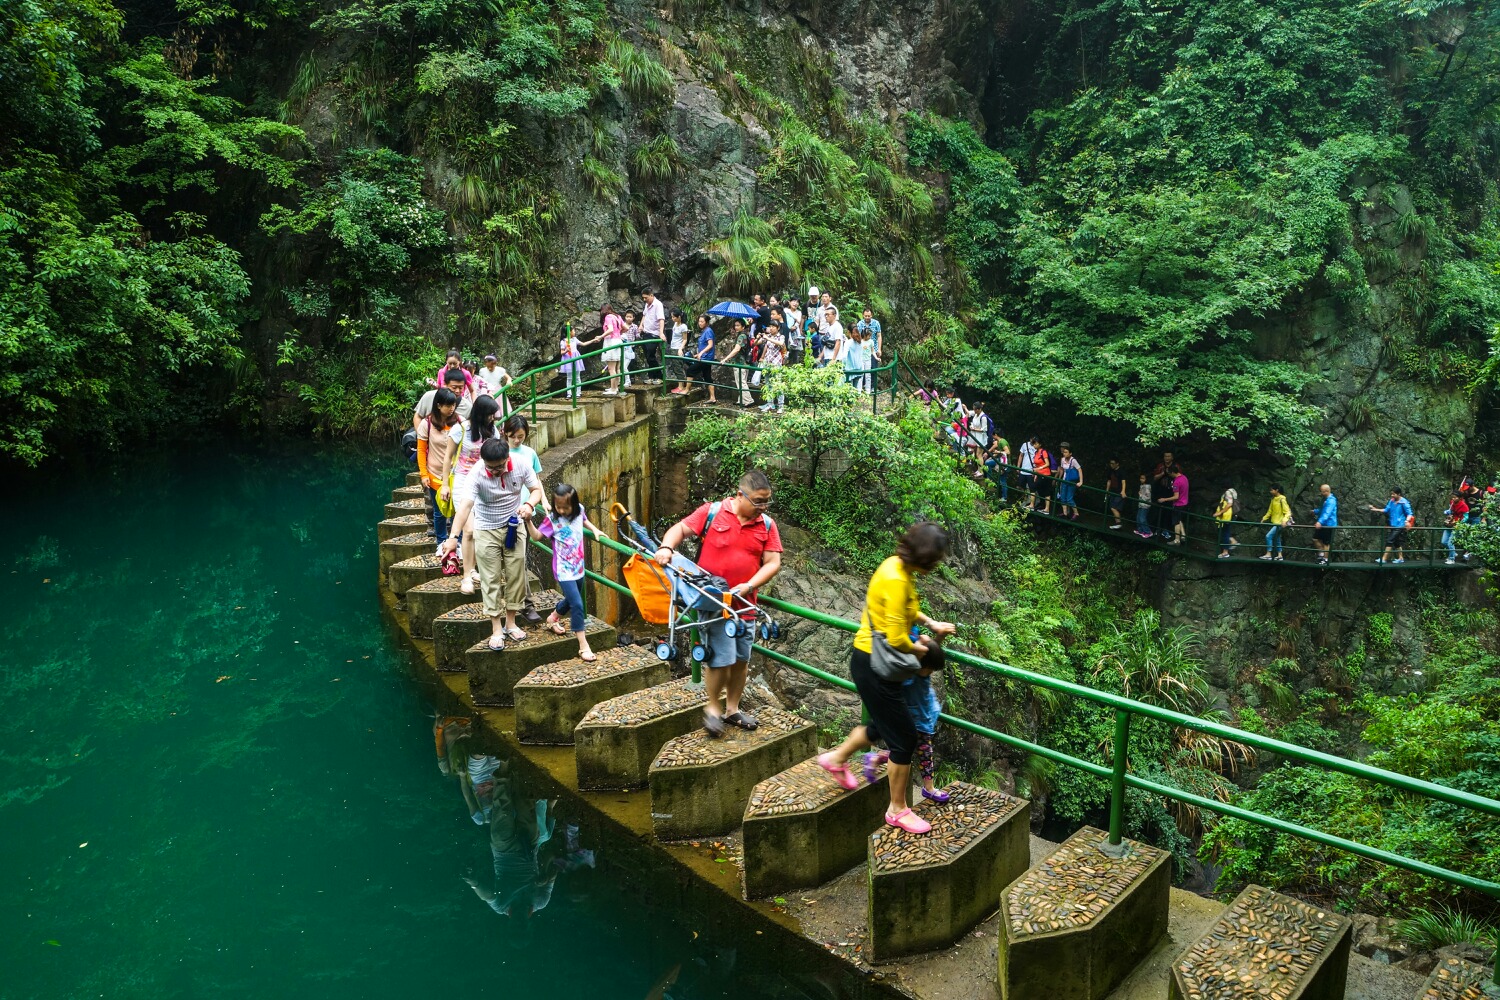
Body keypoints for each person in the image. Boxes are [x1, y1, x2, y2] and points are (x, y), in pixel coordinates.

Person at [816, 523, 956, 835]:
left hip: (873, 662)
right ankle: (897, 809)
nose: (935, 566)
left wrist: (930, 622)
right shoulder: (896, 579)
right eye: (934, 561)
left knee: (883, 725)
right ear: (925, 558)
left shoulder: (896, 567)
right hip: (875, 665)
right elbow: (896, 639)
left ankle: (836, 759)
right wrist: (924, 648)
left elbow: (906, 610)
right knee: (904, 738)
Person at [654, 471, 784, 737]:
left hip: (745, 604)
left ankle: (732, 709)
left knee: (740, 660)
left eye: (767, 502)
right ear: (740, 495)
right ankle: (713, 708)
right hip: (713, 601)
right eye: (758, 501)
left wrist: (749, 585)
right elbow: (680, 529)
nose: (763, 507)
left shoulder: (767, 525)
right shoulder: (712, 512)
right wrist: (667, 547)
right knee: (720, 659)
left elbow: (773, 562)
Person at [443, 438, 544, 650]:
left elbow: (536, 489)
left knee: (516, 574)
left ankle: (511, 622)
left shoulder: (520, 464)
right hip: (486, 528)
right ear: (484, 462)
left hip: (513, 526)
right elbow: (465, 506)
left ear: (507, 457)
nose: (496, 471)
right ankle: (496, 628)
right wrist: (453, 536)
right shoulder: (477, 474)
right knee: (491, 578)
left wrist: (528, 504)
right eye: (492, 467)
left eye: (500, 466)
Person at [527, 483, 604, 660]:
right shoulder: (552, 520)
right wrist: (528, 521)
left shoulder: (579, 511)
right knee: (577, 604)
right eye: (558, 507)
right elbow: (537, 537)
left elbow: (584, 519)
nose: (561, 510)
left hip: (579, 567)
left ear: (574, 505)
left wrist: (595, 530)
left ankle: (552, 618)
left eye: (565, 507)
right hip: (563, 571)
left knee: (571, 599)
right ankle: (583, 646)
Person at [445, 394, 501, 594]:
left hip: (482, 481)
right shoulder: (461, 429)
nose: (492, 419)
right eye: (489, 415)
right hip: (461, 481)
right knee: (468, 530)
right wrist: (445, 485)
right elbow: (448, 458)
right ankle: (466, 577)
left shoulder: (492, 430)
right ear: (480, 413)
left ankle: (472, 568)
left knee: (479, 529)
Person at [505, 414, 546, 621]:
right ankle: (522, 604)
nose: (516, 440)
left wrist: (542, 502)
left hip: (524, 512)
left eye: (520, 436)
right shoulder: (498, 452)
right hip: (502, 513)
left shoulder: (529, 453)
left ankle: (526, 604)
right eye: (513, 436)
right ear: (505, 433)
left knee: (520, 559)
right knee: (515, 560)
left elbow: (536, 482)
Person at [416, 387, 464, 549]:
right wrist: (424, 474)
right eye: (448, 405)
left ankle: (459, 542)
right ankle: (441, 542)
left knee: (459, 509)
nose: (452, 409)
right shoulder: (426, 424)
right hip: (435, 474)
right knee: (439, 512)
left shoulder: (460, 422)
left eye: (453, 405)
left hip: (457, 474)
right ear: (438, 405)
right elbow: (421, 450)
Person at [1367, 487, 1414, 565]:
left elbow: (1409, 514)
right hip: (1393, 524)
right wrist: (1375, 509)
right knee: (1396, 542)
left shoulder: (1404, 502)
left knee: (1390, 540)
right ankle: (1401, 558)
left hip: (1400, 525)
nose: (1392, 495)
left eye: (1394, 494)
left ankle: (1384, 559)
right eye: (1391, 494)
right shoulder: (1391, 501)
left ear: (1399, 494)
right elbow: (1386, 510)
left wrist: (1407, 521)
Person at [718, 318, 755, 407]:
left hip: (740, 363)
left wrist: (725, 359)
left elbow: (737, 349)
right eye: (735, 325)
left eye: (738, 325)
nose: (736, 327)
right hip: (743, 362)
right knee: (741, 381)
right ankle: (741, 399)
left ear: (743, 327)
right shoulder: (743, 335)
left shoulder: (742, 336)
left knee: (741, 382)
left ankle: (748, 400)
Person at [756, 322, 787, 412]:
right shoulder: (768, 336)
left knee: (778, 385)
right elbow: (755, 344)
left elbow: (781, 343)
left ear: (778, 328)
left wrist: (767, 338)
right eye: (770, 326)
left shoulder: (780, 336)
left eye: (773, 326)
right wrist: (757, 338)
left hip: (776, 364)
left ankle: (781, 406)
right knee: (768, 384)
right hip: (767, 363)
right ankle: (770, 404)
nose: (771, 328)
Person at [1156, 463, 1188, 543]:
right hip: (1185, 503)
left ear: (1173, 472)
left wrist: (1164, 499)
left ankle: (1177, 540)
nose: (1169, 475)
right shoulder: (1184, 477)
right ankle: (1183, 535)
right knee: (1179, 519)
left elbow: (1176, 497)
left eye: (1170, 473)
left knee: (1176, 522)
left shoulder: (1176, 482)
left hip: (1178, 504)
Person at [639, 289, 666, 384]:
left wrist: (661, 333)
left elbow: (661, 319)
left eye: (646, 298)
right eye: (643, 298)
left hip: (654, 334)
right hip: (646, 333)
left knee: (651, 355)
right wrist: (641, 325)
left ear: (651, 295)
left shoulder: (658, 304)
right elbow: (644, 315)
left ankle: (660, 377)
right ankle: (651, 377)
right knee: (647, 356)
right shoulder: (647, 304)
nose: (644, 300)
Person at [1260, 485, 1292, 561]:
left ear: (1276, 490)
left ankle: (1268, 554)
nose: (1270, 491)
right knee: (1277, 538)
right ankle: (1280, 555)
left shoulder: (1282, 499)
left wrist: (1284, 520)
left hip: (1280, 523)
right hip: (1275, 523)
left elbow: (1287, 512)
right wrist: (1264, 518)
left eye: (1272, 490)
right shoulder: (1273, 499)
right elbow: (1270, 511)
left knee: (1268, 536)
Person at [691, 314, 717, 403]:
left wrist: (701, 353)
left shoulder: (708, 331)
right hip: (704, 357)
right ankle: (712, 398)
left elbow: (710, 345)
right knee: (707, 377)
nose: (700, 323)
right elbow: (704, 345)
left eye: (702, 322)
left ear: (706, 322)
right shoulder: (704, 331)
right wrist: (698, 354)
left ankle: (686, 389)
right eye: (699, 321)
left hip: (706, 358)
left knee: (690, 371)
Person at [966, 402, 995, 476]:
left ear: (979, 409)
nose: (974, 411)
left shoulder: (983, 417)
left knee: (979, 454)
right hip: (975, 436)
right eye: (974, 409)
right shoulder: (975, 414)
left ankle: (981, 471)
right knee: (976, 454)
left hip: (981, 437)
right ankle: (978, 470)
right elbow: (968, 413)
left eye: (975, 409)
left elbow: (984, 429)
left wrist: (974, 429)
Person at [1311, 484, 1338, 565]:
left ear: (1326, 491)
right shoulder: (1325, 499)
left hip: (1329, 524)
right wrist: (1315, 511)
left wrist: (1320, 522)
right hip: (1323, 524)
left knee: (1326, 543)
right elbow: (1322, 510)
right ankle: (1322, 554)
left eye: (1322, 491)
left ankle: (1325, 559)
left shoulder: (1331, 500)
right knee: (1315, 539)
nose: (1321, 493)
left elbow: (1327, 512)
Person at [559, 323, 585, 402]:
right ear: (569, 332)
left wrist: (593, 340)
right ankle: (569, 393)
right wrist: (566, 350)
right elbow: (562, 352)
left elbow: (583, 344)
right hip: (568, 359)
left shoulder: (575, 339)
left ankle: (578, 392)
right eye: (573, 330)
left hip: (576, 358)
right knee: (569, 377)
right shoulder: (563, 341)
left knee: (577, 377)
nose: (574, 332)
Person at [1442, 492, 1469, 565]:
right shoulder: (1452, 503)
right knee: (1444, 541)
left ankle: (1451, 559)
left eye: (1455, 497)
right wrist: (1448, 512)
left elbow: (1466, 517)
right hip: (1450, 524)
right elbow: (1451, 511)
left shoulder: (1464, 506)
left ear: (1460, 498)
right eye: (1452, 497)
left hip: (1457, 525)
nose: (1453, 499)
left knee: (1450, 542)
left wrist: (1459, 523)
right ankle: (1453, 553)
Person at [1057, 443, 1082, 520]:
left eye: (1066, 452)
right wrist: (1059, 478)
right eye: (1064, 452)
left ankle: (1076, 513)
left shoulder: (1073, 460)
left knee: (1069, 498)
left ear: (1070, 453)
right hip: (1064, 480)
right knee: (1063, 497)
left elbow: (1079, 470)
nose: (1064, 454)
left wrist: (1080, 481)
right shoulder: (1062, 459)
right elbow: (1062, 469)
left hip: (1071, 482)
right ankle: (1065, 513)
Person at [668, 308, 690, 394]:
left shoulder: (683, 326)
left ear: (679, 317)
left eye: (674, 317)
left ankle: (681, 386)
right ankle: (680, 385)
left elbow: (685, 339)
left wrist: (681, 348)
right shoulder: (675, 324)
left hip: (678, 348)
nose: (673, 319)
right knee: (675, 366)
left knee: (678, 367)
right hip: (673, 347)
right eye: (672, 317)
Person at [842, 324, 868, 392]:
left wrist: (843, 367)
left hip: (849, 370)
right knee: (855, 389)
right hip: (858, 369)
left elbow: (844, 357)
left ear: (848, 332)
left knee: (849, 391)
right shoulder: (860, 342)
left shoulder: (848, 343)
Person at [1215, 488, 1239, 559]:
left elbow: (1229, 504)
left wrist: (1220, 512)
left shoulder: (1228, 493)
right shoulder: (1232, 491)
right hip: (1230, 516)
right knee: (1224, 531)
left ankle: (1225, 552)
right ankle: (1232, 541)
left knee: (1225, 532)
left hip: (1228, 516)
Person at [1031, 440, 1054, 514]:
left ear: (1040, 444)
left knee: (1035, 488)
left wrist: (1039, 469)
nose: (1034, 445)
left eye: (1036, 444)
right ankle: (1044, 507)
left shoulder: (1043, 452)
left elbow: (1047, 463)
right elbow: (1036, 465)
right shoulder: (1036, 453)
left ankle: (1034, 506)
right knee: (1042, 491)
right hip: (1039, 474)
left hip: (1045, 474)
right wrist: (1036, 474)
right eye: (1034, 444)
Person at [1016, 435, 1039, 506]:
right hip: (1023, 469)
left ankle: (1033, 500)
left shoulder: (1037, 447)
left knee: (1031, 487)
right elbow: (1021, 455)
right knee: (1020, 486)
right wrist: (1018, 466)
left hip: (1031, 470)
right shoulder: (1025, 445)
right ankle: (1026, 499)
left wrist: (1036, 471)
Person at [620, 309, 640, 388]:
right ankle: (623, 378)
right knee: (623, 363)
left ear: (633, 318)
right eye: (627, 317)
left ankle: (632, 377)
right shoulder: (623, 325)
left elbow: (637, 335)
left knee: (631, 363)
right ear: (625, 317)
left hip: (631, 346)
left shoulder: (634, 326)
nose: (628, 318)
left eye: (630, 317)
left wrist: (639, 333)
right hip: (623, 346)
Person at [1105, 459, 1126, 529]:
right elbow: (1109, 481)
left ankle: (1119, 523)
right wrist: (1107, 492)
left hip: (1119, 492)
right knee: (1112, 507)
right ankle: (1118, 523)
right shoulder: (1110, 471)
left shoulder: (1121, 471)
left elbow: (1123, 482)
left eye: (1113, 463)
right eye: (1110, 463)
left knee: (1113, 507)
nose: (1111, 465)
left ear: (1117, 464)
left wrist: (1123, 491)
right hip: (1112, 492)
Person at [784, 299, 805, 364]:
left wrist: (795, 327)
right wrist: (788, 328)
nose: (795, 303)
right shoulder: (785, 311)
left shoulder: (799, 312)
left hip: (795, 333)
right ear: (789, 302)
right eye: (793, 301)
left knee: (795, 353)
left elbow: (798, 321)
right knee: (786, 351)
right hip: (786, 332)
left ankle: (795, 366)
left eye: (797, 302)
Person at [1135, 473, 1153, 537]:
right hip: (1141, 504)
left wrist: (1140, 495)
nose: (1141, 479)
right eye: (1141, 478)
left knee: (1142, 519)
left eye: (1143, 478)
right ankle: (1140, 530)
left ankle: (1148, 532)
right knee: (1138, 518)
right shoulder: (1142, 485)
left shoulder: (1147, 486)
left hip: (1145, 505)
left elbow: (1148, 497)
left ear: (1146, 479)